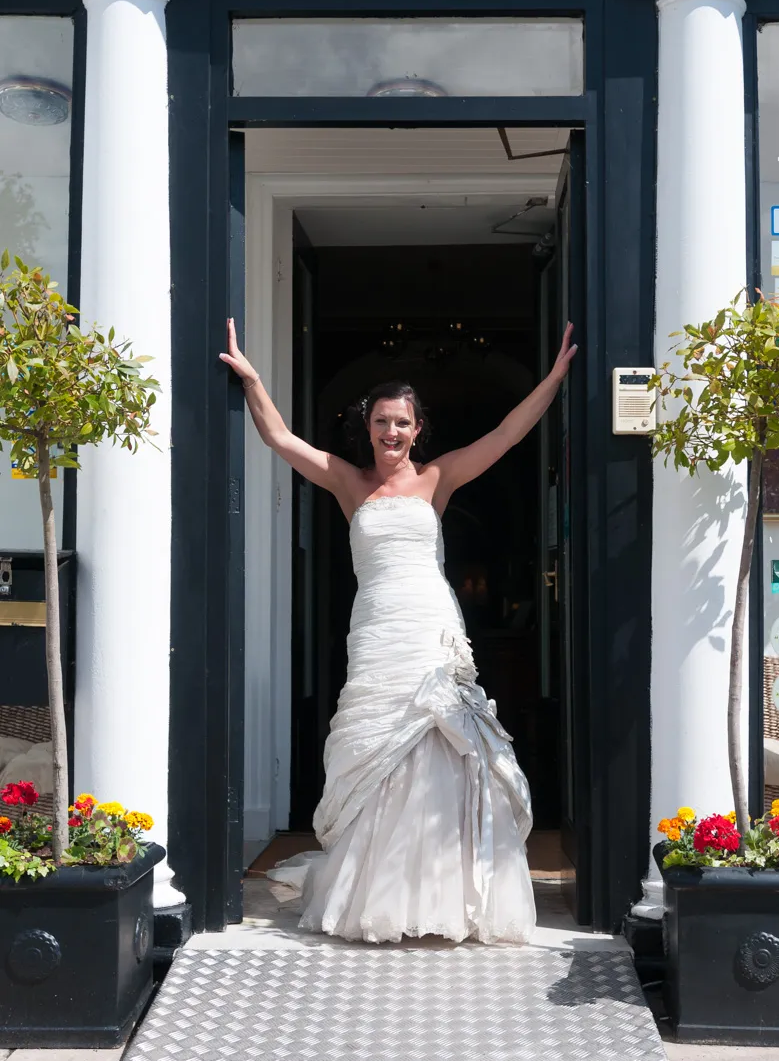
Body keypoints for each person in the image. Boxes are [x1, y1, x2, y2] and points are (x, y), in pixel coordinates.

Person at [220, 318, 577, 944]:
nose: (392, 432)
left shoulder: (437, 479)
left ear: (418, 431)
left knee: (441, 742)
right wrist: (251, 378)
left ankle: (447, 892)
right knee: (380, 747)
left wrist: (552, 379)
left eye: (403, 423)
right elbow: (278, 437)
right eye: (382, 421)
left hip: (430, 624)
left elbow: (505, 435)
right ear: (368, 427)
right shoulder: (347, 480)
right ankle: (378, 893)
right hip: (378, 628)